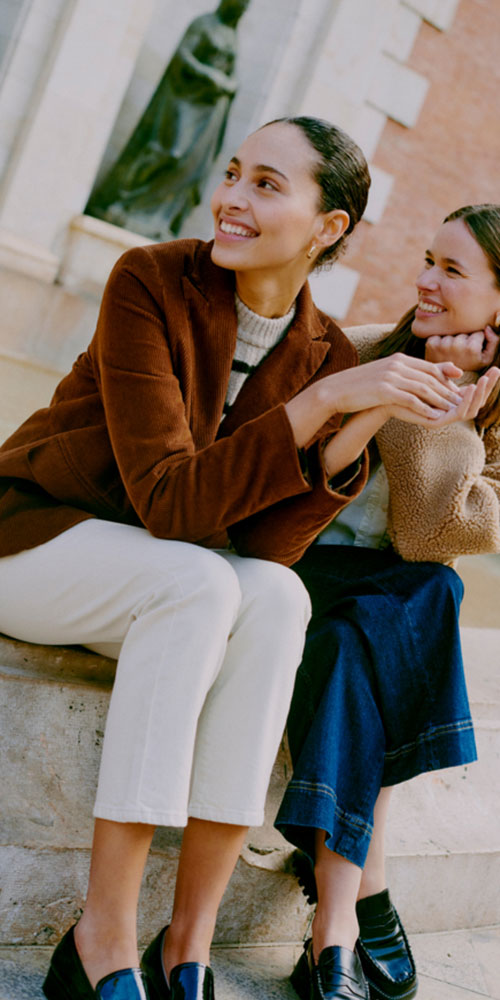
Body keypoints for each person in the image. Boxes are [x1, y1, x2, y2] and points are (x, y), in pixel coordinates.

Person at [0, 114, 478, 1000]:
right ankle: (100, 938)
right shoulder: (149, 281)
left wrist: (364, 416)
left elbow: (263, 547)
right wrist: (326, 400)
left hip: (149, 584)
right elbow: (174, 505)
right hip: (38, 541)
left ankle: (188, 947)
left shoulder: (323, 350)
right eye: (233, 173)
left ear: (329, 226)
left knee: (277, 601)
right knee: (196, 580)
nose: (230, 198)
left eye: (266, 184)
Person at [274, 203, 500, 1000]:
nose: (425, 280)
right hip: (311, 578)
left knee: (418, 596)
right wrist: (420, 390)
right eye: (428, 260)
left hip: (382, 605)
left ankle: (330, 924)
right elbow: (295, 480)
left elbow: (430, 534)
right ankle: (364, 888)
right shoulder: (365, 349)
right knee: (410, 606)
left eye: (452, 270)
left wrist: (450, 424)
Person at [87, 0, 251, 239]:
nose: (240, 9)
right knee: (170, 152)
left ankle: (158, 218)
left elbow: (233, 75)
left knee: (193, 166)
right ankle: (123, 203)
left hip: (211, 110)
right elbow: (183, 55)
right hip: (184, 100)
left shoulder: (232, 35)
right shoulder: (204, 24)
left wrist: (229, 84)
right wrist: (209, 75)